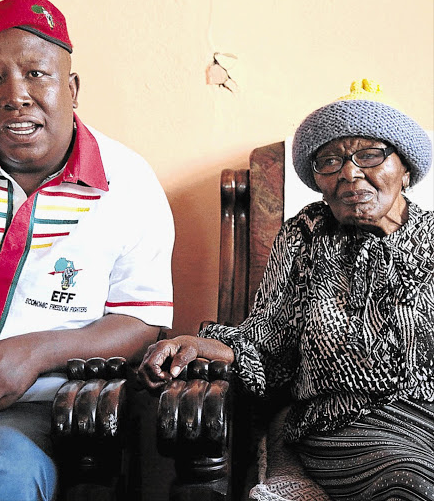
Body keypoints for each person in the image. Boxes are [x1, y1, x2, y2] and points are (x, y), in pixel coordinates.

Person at [139, 79, 434, 500]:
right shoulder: (304, 236)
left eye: (369, 154)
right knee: (412, 485)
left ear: (404, 168)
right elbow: (268, 339)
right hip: (344, 423)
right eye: (330, 161)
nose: (350, 172)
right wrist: (198, 344)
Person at [0, 0, 174, 501]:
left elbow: (139, 321)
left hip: (15, 416)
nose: (15, 96)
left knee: (2, 480)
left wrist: (35, 351)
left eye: (36, 74)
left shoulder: (128, 182)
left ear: (72, 87)